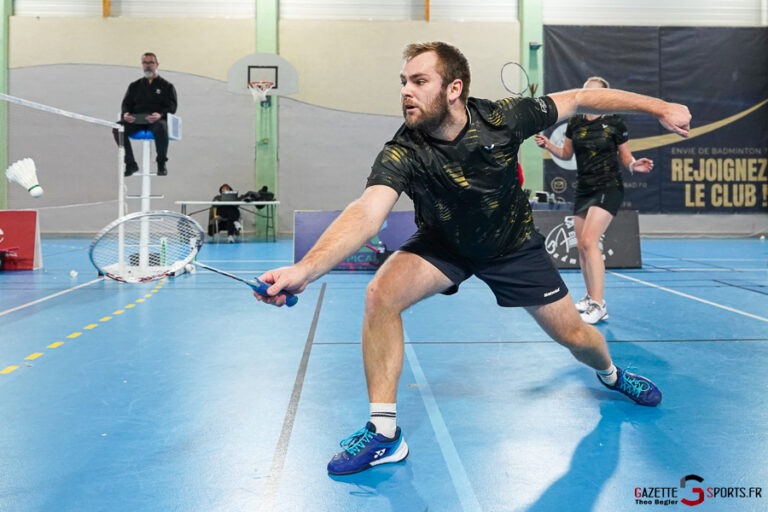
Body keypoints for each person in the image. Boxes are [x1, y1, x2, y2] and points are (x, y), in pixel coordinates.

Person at [254, 42, 691, 475]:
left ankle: (612, 375)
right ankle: (385, 434)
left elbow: (578, 99)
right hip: (444, 244)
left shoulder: (503, 118)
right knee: (380, 294)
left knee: (577, 338)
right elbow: (368, 212)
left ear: (454, 89)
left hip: (512, 246)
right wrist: (305, 269)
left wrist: (660, 107)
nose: (406, 91)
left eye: (419, 81)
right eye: (403, 82)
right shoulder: (404, 150)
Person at [534, 77, 653, 324]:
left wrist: (634, 165)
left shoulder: (615, 123)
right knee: (581, 246)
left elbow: (626, 157)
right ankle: (590, 297)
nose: (590, 95)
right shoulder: (575, 122)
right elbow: (566, 153)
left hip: (608, 186)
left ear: (605, 97)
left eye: (595, 92)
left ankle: (599, 305)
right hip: (584, 188)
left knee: (589, 242)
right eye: (586, 91)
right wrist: (548, 145)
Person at [113, 52, 178, 176]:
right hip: (137, 119)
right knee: (118, 129)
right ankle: (131, 164)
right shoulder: (134, 86)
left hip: (156, 120)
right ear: (142, 65)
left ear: (157, 64)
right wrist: (126, 114)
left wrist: (160, 115)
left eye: (151, 63)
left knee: (162, 128)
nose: (148, 66)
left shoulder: (167, 86)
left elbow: (172, 106)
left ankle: (161, 163)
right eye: (145, 63)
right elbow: (126, 104)